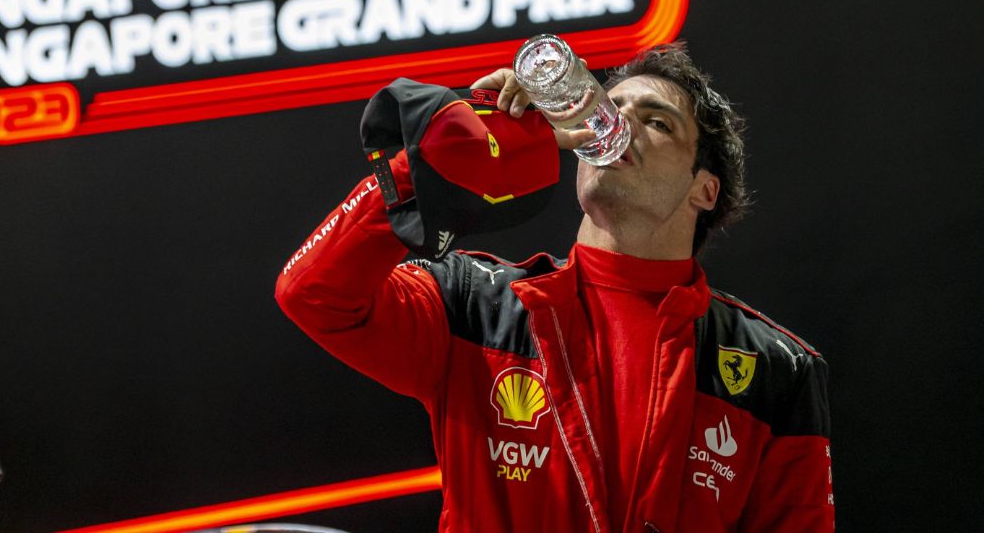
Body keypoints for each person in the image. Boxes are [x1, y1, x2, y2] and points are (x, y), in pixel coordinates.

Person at [275, 42, 833, 532]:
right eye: (613, 108)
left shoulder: (776, 370)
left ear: (705, 190)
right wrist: (431, 160)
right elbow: (313, 296)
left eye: (657, 122)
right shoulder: (473, 304)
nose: (617, 125)